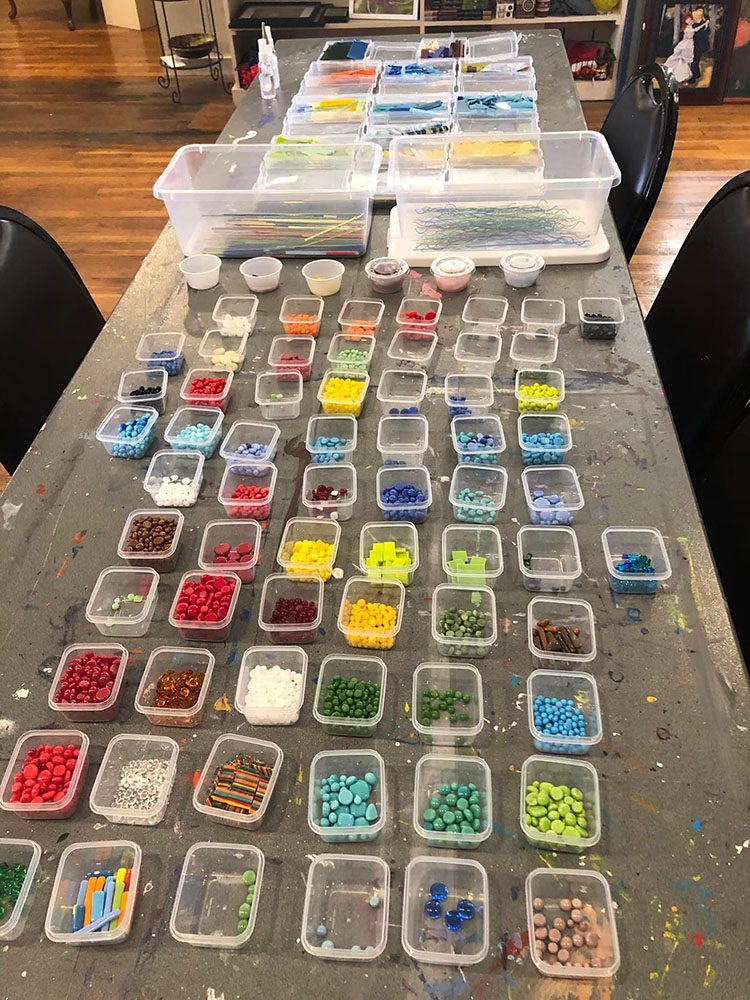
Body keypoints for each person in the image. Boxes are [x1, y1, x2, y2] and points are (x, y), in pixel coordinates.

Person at [664, 14, 695, 83]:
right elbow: (687, 37)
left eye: (689, 19)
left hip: (690, 45)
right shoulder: (687, 28)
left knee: (686, 60)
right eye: (687, 19)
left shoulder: (691, 26)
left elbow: (695, 30)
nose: (688, 20)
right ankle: (678, 74)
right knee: (681, 59)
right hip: (686, 44)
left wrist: (705, 23)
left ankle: (683, 75)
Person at [688, 7, 711, 85]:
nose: (700, 12)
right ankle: (694, 75)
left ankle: (694, 76)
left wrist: (706, 26)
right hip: (692, 45)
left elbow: (708, 33)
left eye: (701, 11)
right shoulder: (693, 24)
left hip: (699, 45)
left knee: (695, 60)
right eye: (699, 10)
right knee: (693, 60)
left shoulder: (704, 23)